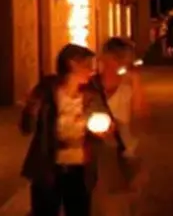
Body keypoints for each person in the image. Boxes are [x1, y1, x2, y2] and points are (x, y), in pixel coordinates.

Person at [19, 44, 109, 216]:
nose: (92, 71)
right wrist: (31, 110)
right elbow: (26, 128)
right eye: (88, 65)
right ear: (72, 64)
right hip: (48, 167)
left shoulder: (92, 94)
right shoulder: (46, 91)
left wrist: (103, 130)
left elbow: (104, 123)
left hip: (80, 168)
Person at [91, 38, 148, 216]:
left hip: (122, 155)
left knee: (118, 206)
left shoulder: (127, 88)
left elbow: (141, 117)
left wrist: (136, 81)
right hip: (95, 157)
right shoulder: (90, 85)